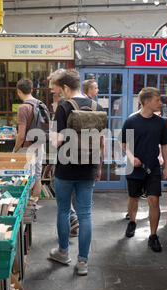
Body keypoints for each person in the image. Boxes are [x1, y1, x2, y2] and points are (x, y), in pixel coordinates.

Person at [49, 69, 104, 275]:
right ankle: (83, 262)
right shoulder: (95, 106)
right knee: (85, 214)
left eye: (60, 90)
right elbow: (101, 141)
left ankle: (63, 252)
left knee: (64, 210)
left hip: (66, 168)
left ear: (65, 87)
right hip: (89, 167)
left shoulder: (63, 108)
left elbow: (57, 141)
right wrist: (99, 166)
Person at [120, 87, 167, 252]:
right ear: (147, 102)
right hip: (134, 168)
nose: (160, 102)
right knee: (133, 198)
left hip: (153, 168)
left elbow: (165, 144)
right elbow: (123, 144)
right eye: (157, 100)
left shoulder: (160, 123)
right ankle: (132, 221)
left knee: (154, 200)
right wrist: (131, 157)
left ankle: (153, 235)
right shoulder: (131, 121)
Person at [48, 69, 80, 237]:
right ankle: (75, 223)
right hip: (85, 160)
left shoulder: (64, 104)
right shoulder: (89, 104)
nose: (53, 88)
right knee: (83, 206)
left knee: (63, 199)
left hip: (66, 156)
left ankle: (64, 248)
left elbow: (57, 139)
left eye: (54, 84)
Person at [13, 78, 45, 198]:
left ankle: (26, 207)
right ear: (31, 89)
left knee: (23, 179)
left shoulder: (23, 108)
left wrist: (15, 150)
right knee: (37, 176)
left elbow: (21, 136)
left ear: (18, 91)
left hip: (27, 148)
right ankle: (33, 208)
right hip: (40, 145)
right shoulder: (40, 104)